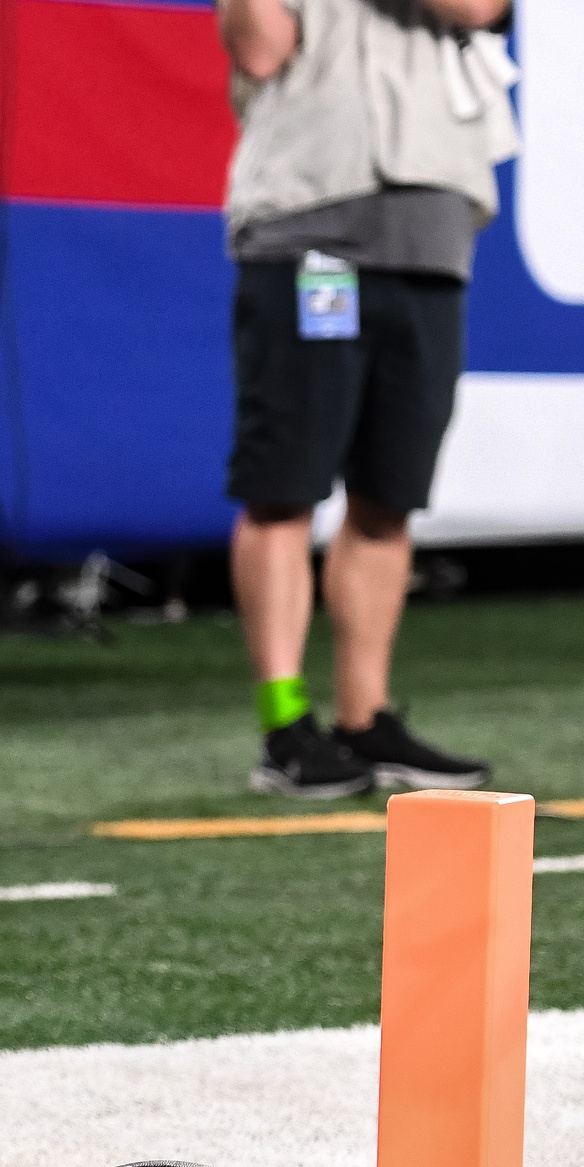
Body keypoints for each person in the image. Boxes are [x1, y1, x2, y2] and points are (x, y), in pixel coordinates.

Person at [217, 0, 513, 797]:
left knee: (390, 494)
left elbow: (480, 7)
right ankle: (285, 726)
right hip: (306, 226)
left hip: (431, 235)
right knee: (284, 488)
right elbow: (261, 52)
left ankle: (365, 718)